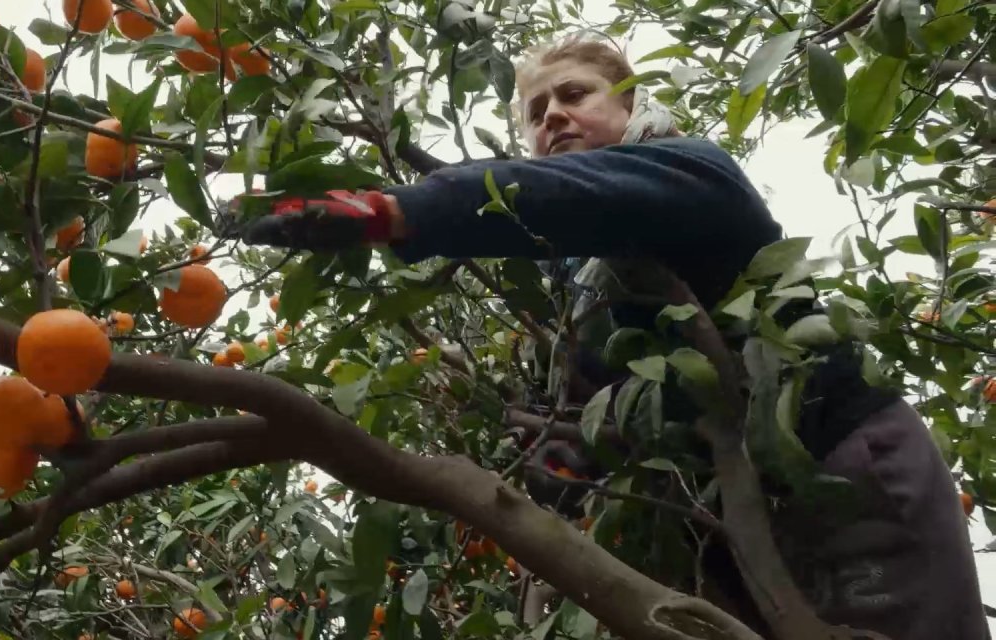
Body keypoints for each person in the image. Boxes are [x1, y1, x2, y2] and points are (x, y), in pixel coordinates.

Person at [230, 34, 988, 640]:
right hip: (730, 513)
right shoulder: (583, 275)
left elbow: (576, 195)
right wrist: (571, 450)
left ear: (628, 104)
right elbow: (603, 389)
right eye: (535, 110)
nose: (552, 115)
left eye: (574, 95)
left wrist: (402, 212)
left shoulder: (690, 172)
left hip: (839, 464)